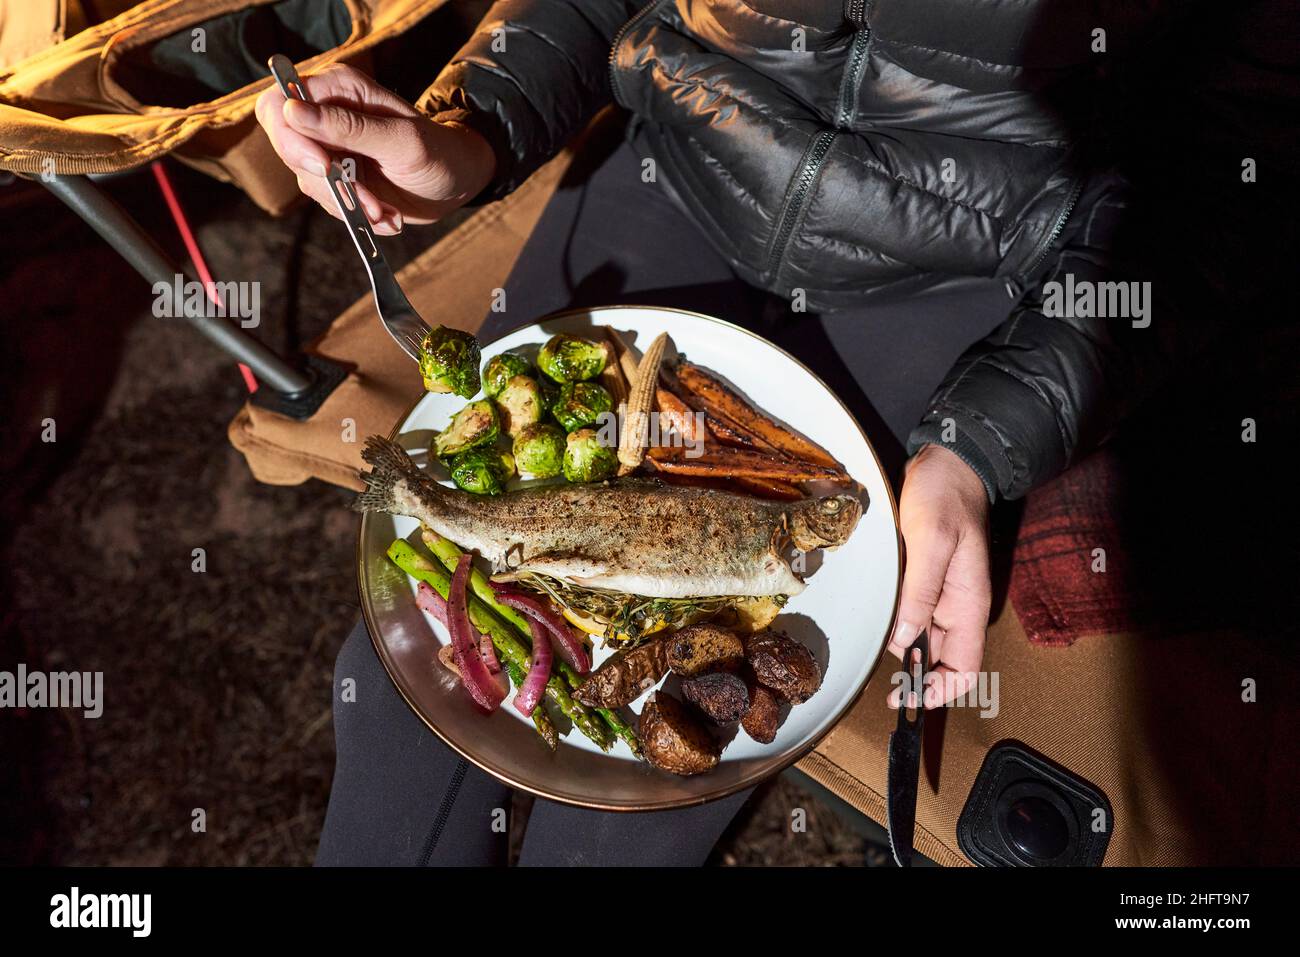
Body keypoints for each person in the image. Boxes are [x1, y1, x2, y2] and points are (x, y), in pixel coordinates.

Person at [255, 2, 1201, 866]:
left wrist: (982, 441)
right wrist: (470, 130)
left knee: (643, 808)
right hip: (683, 153)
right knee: (400, 700)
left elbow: (1236, 165)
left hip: (980, 256)